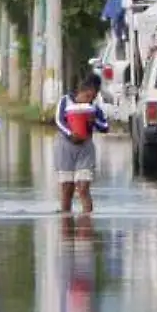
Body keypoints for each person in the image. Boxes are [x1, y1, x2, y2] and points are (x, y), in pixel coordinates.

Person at [53, 76, 110, 214]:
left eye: (93, 97)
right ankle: (66, 222)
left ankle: (86, 224)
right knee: (67, 187)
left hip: (85, 149)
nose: (90, 99)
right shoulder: (65, 101)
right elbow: (59, 121)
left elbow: (105, 126)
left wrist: (94, 121)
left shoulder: (94, 108)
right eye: (89, 95)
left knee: (83, 187)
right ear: (83, 91)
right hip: (65, 148)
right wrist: (70, 134)